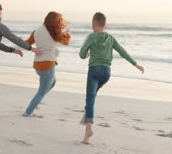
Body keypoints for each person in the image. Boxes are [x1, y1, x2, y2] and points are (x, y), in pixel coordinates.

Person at [79, 12, 144, 144]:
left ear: (93, 24)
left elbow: (81, 54)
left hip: (94, 70)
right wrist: (136, 64)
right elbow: (122, 52)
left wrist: (88, 54)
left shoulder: (91, 37)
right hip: (106, 73)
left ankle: (88, 130)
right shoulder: (111, 38)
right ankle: (86, 115)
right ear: (105, 25)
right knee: (92, 96)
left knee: (90, 98)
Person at [23, 11, 71, 117]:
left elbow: (26, 44)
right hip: (48, 65)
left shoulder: (36, 31)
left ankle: (36, 101)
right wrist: (68, 33)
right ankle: (28, 112)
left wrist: (31, 48)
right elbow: (66, 42)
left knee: (53, 82)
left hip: (38, 65)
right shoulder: (54, 32)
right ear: (55, 21)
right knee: (41, 91)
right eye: (59, 21)